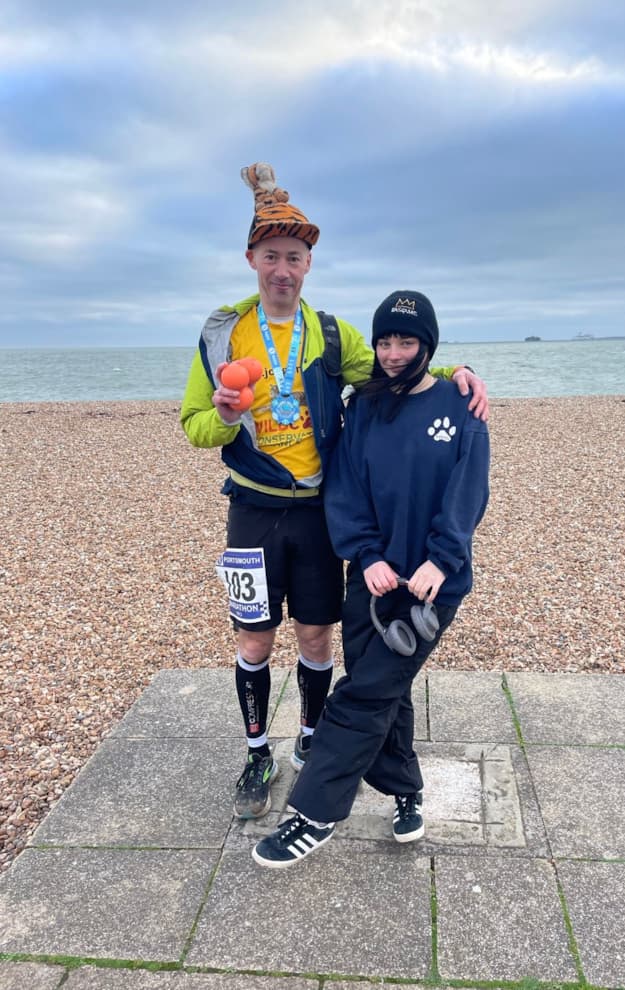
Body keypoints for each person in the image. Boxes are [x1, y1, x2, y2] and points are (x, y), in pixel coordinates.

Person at [181, 164, 489, 823]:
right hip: (252, 510)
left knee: (317, 637)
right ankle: (256, 754)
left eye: (294, 258)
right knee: (254, 640)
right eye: (271, 256)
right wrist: (226, 416)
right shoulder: (221, 335)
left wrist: (452, 371)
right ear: (251, 260)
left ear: (308, 264)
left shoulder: (328, 333)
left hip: (319, 513)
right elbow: (194, 426)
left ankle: (311, 737)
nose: (282, 269)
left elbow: (391, 368)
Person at [252, 289, 490, 867]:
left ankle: (314, 815)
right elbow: (345, 487)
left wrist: (442, 559)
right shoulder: (362, 408)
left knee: (362, 694)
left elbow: (468, 493)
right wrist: (367, 555)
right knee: (383, 687)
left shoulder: (461, 405)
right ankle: (406, 790)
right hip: (373, 579)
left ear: (427, 345)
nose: (393, 353)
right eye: (384, 341)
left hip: (433, 584)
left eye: (406, 341)